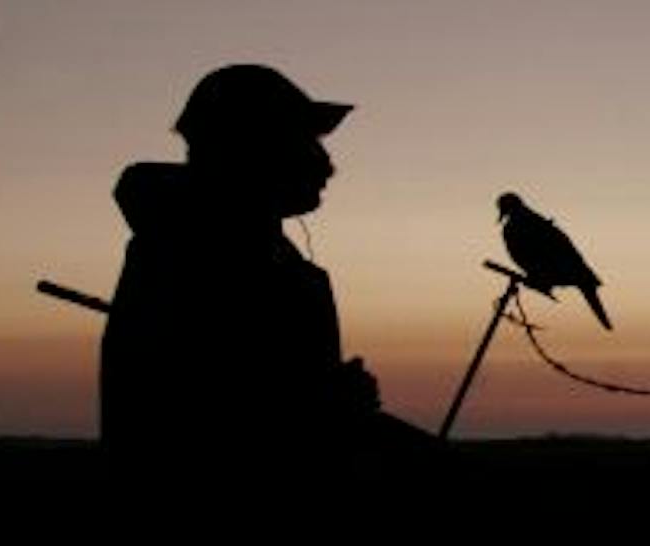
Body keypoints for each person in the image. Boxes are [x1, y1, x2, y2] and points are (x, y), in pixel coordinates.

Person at [100, 63, 425, 474]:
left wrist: (330, 399)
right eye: (305, 140)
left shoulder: (246, 256)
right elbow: (200, 435)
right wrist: (330, 404)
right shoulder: (190, 262)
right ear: (252, 147)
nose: (326, 164)